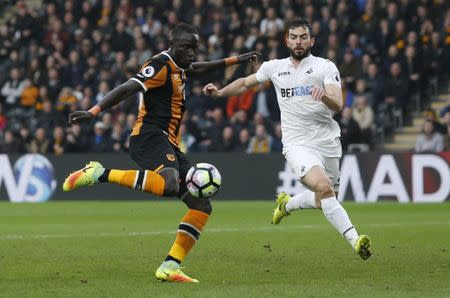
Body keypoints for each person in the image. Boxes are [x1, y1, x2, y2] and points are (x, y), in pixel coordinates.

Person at [62, 23, 260, 283]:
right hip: (148, 136)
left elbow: (198, 68)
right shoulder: (159, 65)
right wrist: (93, 111)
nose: (191, 53)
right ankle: (100, 173)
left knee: (201, 205)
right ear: (172, 43)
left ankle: (170, 265)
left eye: (194, 49)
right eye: (186, 47)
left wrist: (238, 59)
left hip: (170, 144)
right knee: (169, 183)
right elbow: (128, 87)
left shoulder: (180, 66)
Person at [203, 18, 372, 260]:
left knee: (323, 198)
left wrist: (323, 96)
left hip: (328, 141)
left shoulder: (325, 67)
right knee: (324, 188)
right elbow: (244, 84)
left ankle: (287, 205)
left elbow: (338, 104)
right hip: (297, 143)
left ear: (311, 40)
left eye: (303, 37)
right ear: (287, 40)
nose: (299, 41)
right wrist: (220, 92)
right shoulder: (274, 67)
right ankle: (356, 241)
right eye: (294, 37)